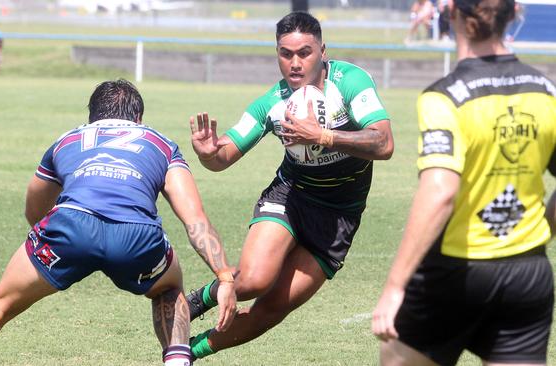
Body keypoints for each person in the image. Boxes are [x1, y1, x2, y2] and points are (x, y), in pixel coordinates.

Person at [0, 79, 237, 366]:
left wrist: (57, 248)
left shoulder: (67, 139)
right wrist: (223, 276)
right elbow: (194, 219)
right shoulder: (161, 144)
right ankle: (177, 359)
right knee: (168, 288)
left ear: (91, 117)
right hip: (137, 237)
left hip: (69, 227)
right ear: (139, 118)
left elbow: (34, 207)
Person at [187, 11, 394, 360]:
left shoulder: (350, 82)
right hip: (291, 196)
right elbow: (224, 155)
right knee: (253, 280)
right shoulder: (273, 101)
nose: (295, 63)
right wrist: (209, 153)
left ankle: (189, 351)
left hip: (338, 217)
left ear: (323, 51)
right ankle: (195, 301)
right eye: (286, 54)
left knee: (271, 311)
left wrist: (324, 136)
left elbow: (384, 143)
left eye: (305, 52)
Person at [372, 1, 556, 365]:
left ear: (451, 11)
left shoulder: (445, 96)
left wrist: (395, 286)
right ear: (514, 11)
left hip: (455, 274)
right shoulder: (546, 91)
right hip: (528, 274)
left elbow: (441, 191)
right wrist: (541, 229)